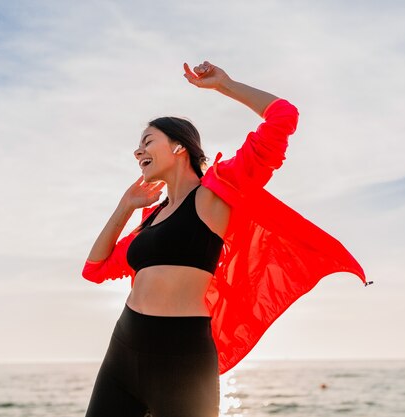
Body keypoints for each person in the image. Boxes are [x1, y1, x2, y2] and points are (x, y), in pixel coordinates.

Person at [81, 61, 366, 417]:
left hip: (182, 361)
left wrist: (224, 86)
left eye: (148, 142)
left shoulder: (217, 192)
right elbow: (94, 269)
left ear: (180, 147)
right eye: (137, 147)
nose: (138, 151)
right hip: (122, 352)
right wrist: (126, 205)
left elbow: (283, 116)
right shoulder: (150, 220)